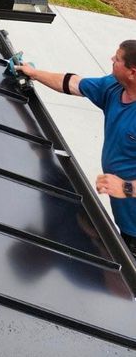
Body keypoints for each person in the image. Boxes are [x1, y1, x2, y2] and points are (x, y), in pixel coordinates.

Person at [17, 40, 136, 256]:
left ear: (133, 72)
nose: (111, 59)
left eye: (117, 59)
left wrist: (126, 187)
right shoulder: (114, 86)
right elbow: (73, 83)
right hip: (127, 218)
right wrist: (33, 73)